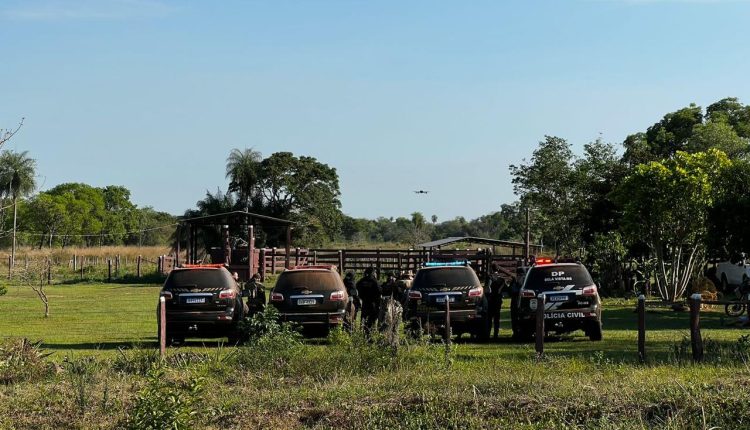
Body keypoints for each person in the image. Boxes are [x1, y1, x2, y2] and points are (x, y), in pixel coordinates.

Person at [356, 267, 381, 334]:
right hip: (373, 303)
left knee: (364, 318)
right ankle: (370, 333)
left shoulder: (362, 281)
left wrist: (361, 296)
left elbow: (357, 286)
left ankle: (363, 332)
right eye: (375, 272)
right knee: (372, 319)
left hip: (364, 302)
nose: (376, 274)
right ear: (373, 273)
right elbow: (379, 290)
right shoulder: (374, 281)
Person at [487, 268, 506, 339]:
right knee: (494, 319)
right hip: (495, 301)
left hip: (493, 301)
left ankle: (492, 334)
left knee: (492, 319)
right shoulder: (499, 280)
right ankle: (494, 334)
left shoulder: (496, 280)